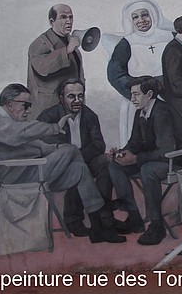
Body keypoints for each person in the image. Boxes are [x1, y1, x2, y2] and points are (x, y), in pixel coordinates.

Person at [0, 83, 125, 244]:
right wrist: (55, 128)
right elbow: (20, 134)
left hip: (29, 171)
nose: (29, 111)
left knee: (79, 168)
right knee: (71, 150)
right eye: (26, 105)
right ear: (10, 104)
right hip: (13, 178)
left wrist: (56, 148)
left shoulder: (11, 121)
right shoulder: (0, 120)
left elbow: (36, 145)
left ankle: (97, 227)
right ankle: (99, 222)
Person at [107, 76, 182, 246]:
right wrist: (121, 153)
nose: (132, 98)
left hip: (178, 161)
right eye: (132, 94)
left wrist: (136, 158)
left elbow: (167, 150)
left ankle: (157, 226)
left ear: (149, 94)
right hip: (156, 159)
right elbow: (135, 142)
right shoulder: (141, 110)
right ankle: (134, 218)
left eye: (136, 94)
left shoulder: (161, 112)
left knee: (148, 170)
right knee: (115, 166)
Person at [37, 79, 120, 236]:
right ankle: (74, 220)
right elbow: (45, 144)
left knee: (108, 164)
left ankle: (105, 217)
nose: (77, 100)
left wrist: (79, 156)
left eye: (80, 96)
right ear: (61, 98)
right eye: (71, 96)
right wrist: (73, 157)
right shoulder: (49, 116)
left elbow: (98, 144)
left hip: (85, 160)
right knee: (78, 169)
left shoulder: (89, 115)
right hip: (59, 166)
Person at [106, 0, 174, 147]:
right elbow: (115, 74)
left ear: (153, 15)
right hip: (137, 101)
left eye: (145, 15)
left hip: (167, 97)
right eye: (135, 17)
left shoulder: (169, 37)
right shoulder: (126, 43)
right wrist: (139, 92)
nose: (141, 20)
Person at [27, 4, 85, 119]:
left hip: (70, 106)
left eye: (70, 17)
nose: (69, 21)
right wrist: (66, 51)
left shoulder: (70, 42)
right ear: (51, 21)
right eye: (63, 17)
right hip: (48, 108)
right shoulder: (39, 44)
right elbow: (43, 68)